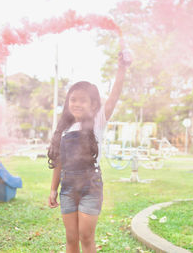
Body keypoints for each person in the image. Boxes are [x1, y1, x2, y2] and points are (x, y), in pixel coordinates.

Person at [47, 48, 132, 252]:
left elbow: (114, 96)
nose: (77, 104)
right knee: (71, 238)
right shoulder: (63, 129)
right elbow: (59, 162)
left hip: (90, 186)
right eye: (73, 99)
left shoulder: (97, 123)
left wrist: (121, 69)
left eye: (82, 100)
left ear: (93, 105)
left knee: (86, 238)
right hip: (67, 187)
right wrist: (53, 189)